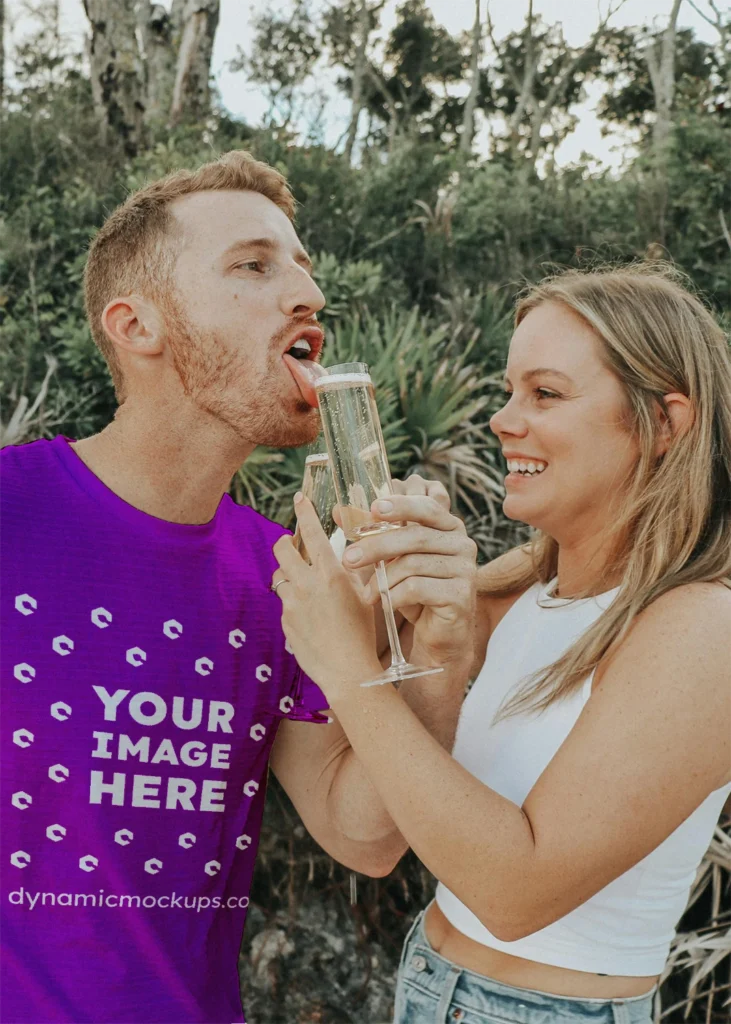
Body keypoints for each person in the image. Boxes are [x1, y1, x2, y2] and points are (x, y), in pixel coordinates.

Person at [0, 150, 476, 1023]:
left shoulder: (286, 573)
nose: (307, 295)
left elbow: (362, 835)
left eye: (302, 267)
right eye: (254, 266)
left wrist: (441, 650)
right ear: (136, 324)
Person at [274, 265, 731, 1024]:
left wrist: (349, 668)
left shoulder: (701, 626)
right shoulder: (520, 584)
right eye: (509, 390)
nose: (502, 420)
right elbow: (368, 827)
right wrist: (424, 631)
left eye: (544, 393)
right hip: (426, 977)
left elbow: (515, 892)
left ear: (664, 424)